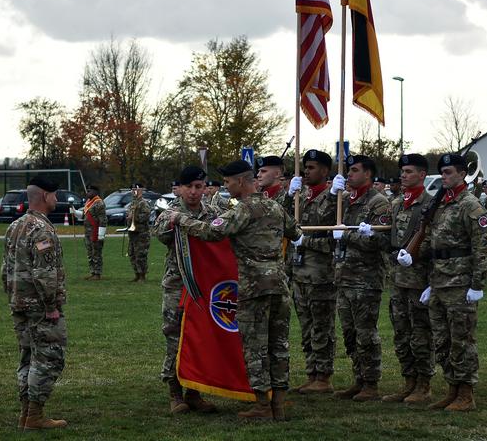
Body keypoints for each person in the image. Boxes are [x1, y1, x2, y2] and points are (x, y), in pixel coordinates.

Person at [166, 159, 303, 420]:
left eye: (228, 182)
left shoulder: (243, 209)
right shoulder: (274, 206)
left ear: (241, 181)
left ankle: (262, 407)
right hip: (280, 286)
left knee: (255, 347)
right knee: (279, 345)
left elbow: (211, 232)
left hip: (253, 287)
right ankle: (279, 405)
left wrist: (180, 219)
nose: (226, 187)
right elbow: (295, 233)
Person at [396, 152, 487, 412]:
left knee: (462, 340)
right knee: (443, 341)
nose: (445, 177)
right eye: (443, 172)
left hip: (460, 283)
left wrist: (477, 285)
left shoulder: (470, 206)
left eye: (449, 172)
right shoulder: (441, 204)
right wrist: (412, 256)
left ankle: (466, 393)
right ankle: (452, 388)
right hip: (439, 281)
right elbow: (430, 240)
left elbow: (483, 249)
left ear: (462, 174)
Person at [0, 177, 67, 430]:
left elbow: (5, 269)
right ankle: (35, 415)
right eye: (55, 195)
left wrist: (13, 297)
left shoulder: (15, 226)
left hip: (19, 303)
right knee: (49, 358)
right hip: (40, 307)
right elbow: (45, 273)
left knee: (28, 357)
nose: (57, 199)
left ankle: (26, 414)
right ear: (45, 196)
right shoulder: (41, 229)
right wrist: (51, 306)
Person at [153, 166, 220, 415]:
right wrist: (181, 222)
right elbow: (160, 234)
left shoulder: (213, 212)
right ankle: (175, 393)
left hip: (206, 288)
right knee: (175, 338)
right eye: (189, 186)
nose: (193, 192)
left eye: (199, 187)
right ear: (179, 188)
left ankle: (195, 392)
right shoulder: (169, 214)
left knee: (200, 338)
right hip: (178, 286)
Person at [331, 155, 392, 402]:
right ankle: (359, 378)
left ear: (368, 174)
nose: (349, 175)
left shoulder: (378, 203)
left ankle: (371, 382)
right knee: (349, 333)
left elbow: (380, 241)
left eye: (354, 170)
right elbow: (324, 220)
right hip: (344, 276)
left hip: (366, 278)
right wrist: (329, 194)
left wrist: (347, 236)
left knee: (366, 332)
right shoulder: (344, 200)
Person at [284, 149, 342, 395]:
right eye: (305, 167)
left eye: (312, 167)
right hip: (300, 274)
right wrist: (288, 196)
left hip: (321, 274)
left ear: (325, 171)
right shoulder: (302, 196)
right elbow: (285, 221)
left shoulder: (336, 198)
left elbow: (331, 240)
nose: (307, 171)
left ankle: (324, 375)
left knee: (322, 328)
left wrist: (304, 242)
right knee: (307, 328)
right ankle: (312, 373)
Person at [383, 154, 434, 405]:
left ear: (422, 175)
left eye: (409, 171)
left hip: (418, 281)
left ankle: (424, 385)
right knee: (401, 334)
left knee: (420, 334)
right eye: (402, 171)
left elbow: (435, 242)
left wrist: (418, 256)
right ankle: (409, 382)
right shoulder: (396, 204)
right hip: (397, 280)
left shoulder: (430, 205)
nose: (403, 175)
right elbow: (391, 240)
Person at [78, 185, 107, 280]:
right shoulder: (89, 202)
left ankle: (97, 273)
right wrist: (75, 212)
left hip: (95, 232)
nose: (87, 193)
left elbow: (103, 220)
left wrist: (101, 234)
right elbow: (84, 215)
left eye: (89, 191)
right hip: (88, 232)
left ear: (95, 192)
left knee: (96, 253)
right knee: (90, 253)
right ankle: (92, 272)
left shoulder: (99, 203)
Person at [127, 182, 152, 282]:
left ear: (141, 190)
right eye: (132, 190)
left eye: (136, 189)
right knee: (132, 254)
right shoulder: (133, 203)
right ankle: (136, 273)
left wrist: (133, 217)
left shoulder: (143, 203)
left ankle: (142, 275)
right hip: (133, 233)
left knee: (140, 255)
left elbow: (145, 217)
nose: (134, 191)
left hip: (141, 234)